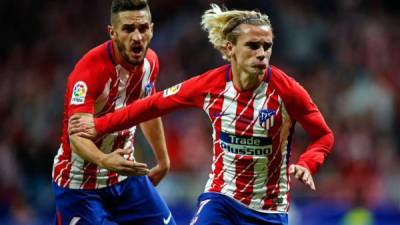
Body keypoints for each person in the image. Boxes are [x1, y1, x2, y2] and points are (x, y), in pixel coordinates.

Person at [69, 4, 334, 225]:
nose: (262, 54)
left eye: (267, 46)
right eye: (253, 46)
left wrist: (308, 163)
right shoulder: (209, 86)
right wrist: (99, 125)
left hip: (269, 209)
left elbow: (324, 136)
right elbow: (152, 105)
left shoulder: (288, 92)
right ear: (230, 49)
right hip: (221, 199)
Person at [52, 0, 176, 224]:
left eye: (143, 28)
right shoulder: (89, 71)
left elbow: (147, 110)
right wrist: (104, 159)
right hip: (80, 183)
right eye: (128, 29)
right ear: (113, 33)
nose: (137, 37)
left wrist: (163, 159)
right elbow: (77, 134)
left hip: (124, 176)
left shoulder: (151, 63)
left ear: (152, 29)